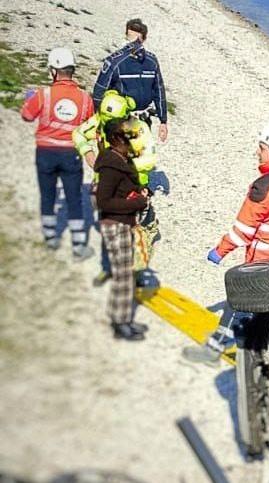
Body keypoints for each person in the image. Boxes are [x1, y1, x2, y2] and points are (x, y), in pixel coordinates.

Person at [183, 123, 269, 364]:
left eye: (262, 147)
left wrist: (219, 251)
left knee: (238, 303)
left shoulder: (264, 186)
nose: (257, 152)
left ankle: (214, 349)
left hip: (264, 262)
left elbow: (243, 230)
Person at [73, 90, 157, 286]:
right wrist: (86, 151)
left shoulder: (140, 129)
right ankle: (111, 268)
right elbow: (78, 133)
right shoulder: (100, 120)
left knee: (135, 232)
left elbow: (150, 160)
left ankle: (134, 274)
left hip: (133, 189)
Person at [20, 47, 95, 261]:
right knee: (74, 198)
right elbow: (91, 126)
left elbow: (26, 115)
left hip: (45, 153)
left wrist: (29, 99)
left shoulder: (43, 94)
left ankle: (50, 238)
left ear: (54, 71)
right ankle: (79, 245)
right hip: (71, 153)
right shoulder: (85, 98)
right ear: (72, 70)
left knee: (48, 195)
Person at [94, 119, 151, 341]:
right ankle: (119, 323)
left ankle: (124, 319)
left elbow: (125, 189)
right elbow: (103, 202)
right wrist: (137, 203)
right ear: (117, 139)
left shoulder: (119, 160)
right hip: (115, 225)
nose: (133, 140)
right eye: (128, 136)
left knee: (126, 274)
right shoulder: (111, 166)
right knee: (123, 276)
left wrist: (141, 191)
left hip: (122, 223)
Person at [93, 18, 168, 143]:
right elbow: (159, 92)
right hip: (121, 120)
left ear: (126, 35)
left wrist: (97, 122)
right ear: (144, 38)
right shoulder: (151, 61)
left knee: (125, 159)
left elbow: (98, 93)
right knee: (134, 159)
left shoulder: (114, 61)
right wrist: (163, 121)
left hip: (134, 121)